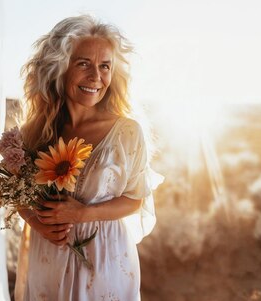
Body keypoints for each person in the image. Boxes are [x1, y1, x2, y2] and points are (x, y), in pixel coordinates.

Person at [14, 15, 162, 301]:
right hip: (47, 258)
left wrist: (82, 214)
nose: (96, 77)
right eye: (83, 64)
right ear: (60, 67)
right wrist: (36, 222)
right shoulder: (33, 133)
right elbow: (17, 195)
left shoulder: (127, 132)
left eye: (104, 66)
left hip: (103, 258)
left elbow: (135, 199)